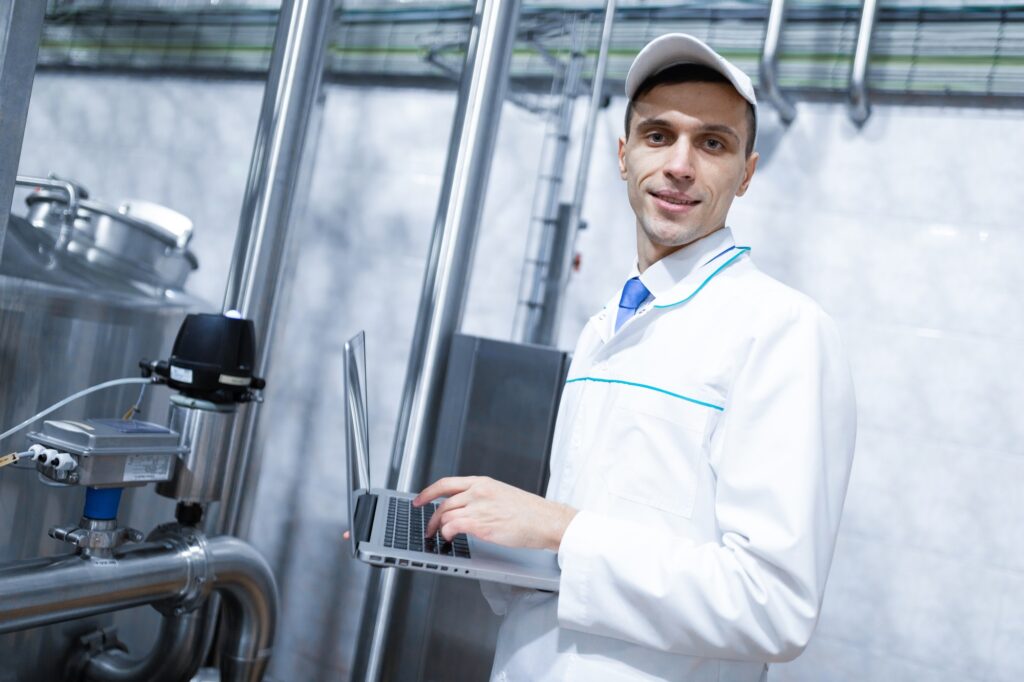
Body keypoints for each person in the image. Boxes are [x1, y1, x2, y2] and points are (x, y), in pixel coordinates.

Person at [415, 33, 857, 682]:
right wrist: (479, 535)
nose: (680, 165)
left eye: (712, 143)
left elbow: (773, 607)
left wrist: (560, 529)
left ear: (746, 173)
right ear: (623, 157)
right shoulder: (605, 327)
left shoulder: (784, 332)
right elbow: (579, 550)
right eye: (658, 136)